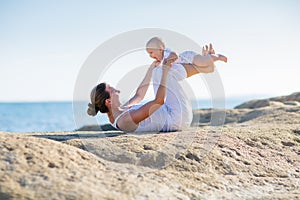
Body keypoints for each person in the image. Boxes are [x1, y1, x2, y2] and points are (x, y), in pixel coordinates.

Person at [87, 45, 226, 132]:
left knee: (158, 71)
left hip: (172, 111)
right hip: (177, 118)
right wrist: (164, 71)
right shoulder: (124, 120)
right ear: (108, 102)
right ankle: (204, 65)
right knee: (161, 72)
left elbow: (139, 96)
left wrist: (151, 68)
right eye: (113, 91)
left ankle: (205, 65)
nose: (117, 91)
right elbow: (159, 101)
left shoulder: (121, 111)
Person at [145, 37, 227, 69]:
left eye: (151, 52)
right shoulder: (162, 58)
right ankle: (207, 56)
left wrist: (167, 60)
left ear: (160, 49)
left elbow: (175, 55)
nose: (150, 55)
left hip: (189, 57)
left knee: (202, 62)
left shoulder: (166, 53)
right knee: (203, 62)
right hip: (188, 60)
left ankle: (218, 56)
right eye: (149, 53)